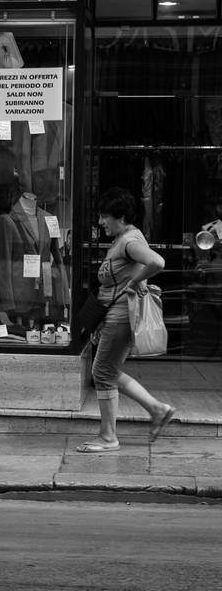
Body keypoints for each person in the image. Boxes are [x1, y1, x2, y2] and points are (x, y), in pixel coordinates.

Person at [77, 187, 176, 453]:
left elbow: (157, 261)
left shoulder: (130, 241)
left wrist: (136, 279)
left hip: (120, 316)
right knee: (106, 372)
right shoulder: (126, 237)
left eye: (104, 216)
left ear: (119, 217)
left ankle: (109, 437)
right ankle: (157, 409)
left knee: (103, 373)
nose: (100, 222)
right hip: (114, 315)